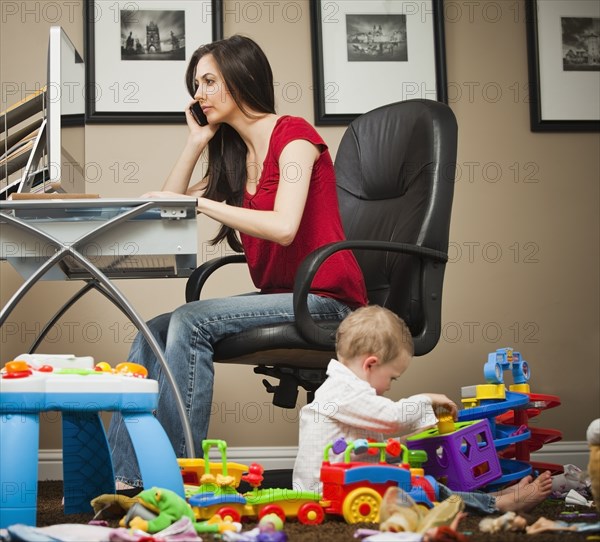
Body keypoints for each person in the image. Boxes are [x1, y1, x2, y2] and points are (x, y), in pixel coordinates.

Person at [107, 34, 368, 488]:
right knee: (155, 327)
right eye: (196, 84)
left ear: (240, 79)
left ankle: (173, 478)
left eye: (209, 81)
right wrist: (196, 141)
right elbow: (166, 206)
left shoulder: (295, 137)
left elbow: (284, 226)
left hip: (327, 300)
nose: (198, 94)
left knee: (189, 320)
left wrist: (205, 204)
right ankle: (130, 478)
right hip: (285, 298)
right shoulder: (236, 156)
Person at [292, 305, 553, 515]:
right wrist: (427, 399)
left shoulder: (344, 392)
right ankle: (496, 505)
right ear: (371, 364)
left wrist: (417, 434)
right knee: (423, 491)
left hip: (347, 483)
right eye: (392, 377)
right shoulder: (342, 391)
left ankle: (492, 497)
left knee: (423, 481)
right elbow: (392, 419)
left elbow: (372, 445)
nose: (389, 387)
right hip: (328, 494)